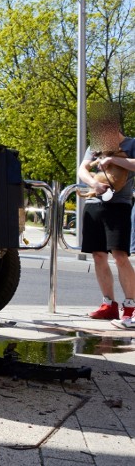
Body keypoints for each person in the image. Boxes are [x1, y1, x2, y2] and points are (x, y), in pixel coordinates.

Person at [77, 113, 135, 329]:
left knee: (120, 255)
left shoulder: (132, 144)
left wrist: (114, 159)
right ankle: (108, 304)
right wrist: (95, 183)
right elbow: (82, 169)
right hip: (94, 204)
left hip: (119, 205)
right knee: (98, 255)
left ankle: (130, 306)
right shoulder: (96, 145)